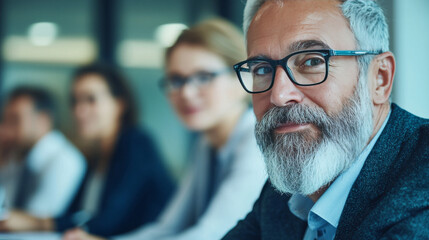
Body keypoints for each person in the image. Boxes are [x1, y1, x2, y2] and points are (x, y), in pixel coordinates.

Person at [222, 0, 429, 239]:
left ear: (379, 78)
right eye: (262, 69)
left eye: (312, 61)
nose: (278, 96)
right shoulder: (284, 193)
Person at [63, 18, 266, 240]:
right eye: (177, 80)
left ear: (243, 78)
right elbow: (167, 228)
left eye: (203, 77)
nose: (186, 93)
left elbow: (212, 234)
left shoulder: (255, 143)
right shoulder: (206, 145)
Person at [0, 64, 175, 237]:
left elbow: (107, 222)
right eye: (75, 101)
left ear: (119, 104)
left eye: (91, 99)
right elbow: (74, 215)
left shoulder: (136, 145)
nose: (79, 110)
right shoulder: (96, 156)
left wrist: (35, 223)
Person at [0, 87, 86, 218]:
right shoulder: (21, 155)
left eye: (15, 120)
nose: (5, 129)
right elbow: (6, 204)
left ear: (43, 120)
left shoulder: (65, 160)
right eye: (5, 120)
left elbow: (36, 219)